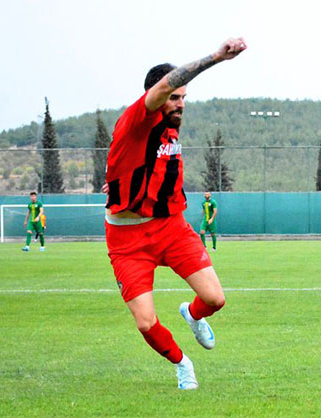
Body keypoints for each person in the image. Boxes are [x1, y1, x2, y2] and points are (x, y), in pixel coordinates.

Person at [104, 37, 247, 390]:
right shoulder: (137, 119)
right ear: (156, 95)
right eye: (174, 97)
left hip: (170, 227)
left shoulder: (170, 126)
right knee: (145, 322)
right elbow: (163, 87)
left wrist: (117, 183)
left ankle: (193, 314)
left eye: (184, 98)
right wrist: (216, 57)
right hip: (127, 240)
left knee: (215, 299)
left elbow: (145, 168)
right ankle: (182, 363)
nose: (180, 104)